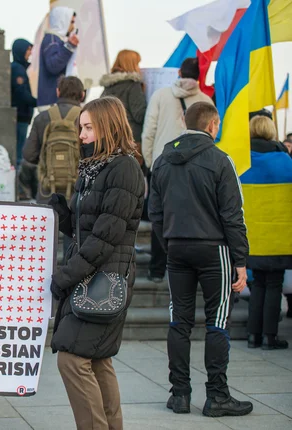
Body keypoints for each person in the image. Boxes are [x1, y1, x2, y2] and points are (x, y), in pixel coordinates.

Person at [148, 102, 253, 417]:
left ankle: (179, 394)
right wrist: (241, 261)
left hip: (177, 246)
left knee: (179, 321)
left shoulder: (162, 160)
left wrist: (170, 243)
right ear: (213, 125)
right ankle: (217, 395)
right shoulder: (220, 160)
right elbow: (233, 215)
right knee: (217, 321)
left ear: (183, 122)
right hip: (214, 249)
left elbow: (154, 212)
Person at [48, 96, 145, 429]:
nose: (81, 135)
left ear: (108, 126)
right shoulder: (95, 167)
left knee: (73, 360)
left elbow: (106, 237)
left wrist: (65, 276)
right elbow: (85, 227)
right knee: (97, 360)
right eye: (81, 128)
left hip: (104, 281)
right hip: (94, 277)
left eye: (88, 127)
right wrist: (62, 212)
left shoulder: (124, 168)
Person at [142, 57, 213, 283]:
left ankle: (156, 270)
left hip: (162, 165)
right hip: (196, 168)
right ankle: (187, 272)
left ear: (179, 72)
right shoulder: (204, 99)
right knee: (191, 217)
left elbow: (149, 130)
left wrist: (150, 162)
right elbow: (211, 134)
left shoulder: (161, 95)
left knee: (159, 217)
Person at [243, 115, 292, 349]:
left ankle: (253, 336)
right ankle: (270, 337)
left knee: (258, 284)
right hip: (279, 236)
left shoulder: (243, 161)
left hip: (250, 237)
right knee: (274, 284)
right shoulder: (285, 160)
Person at [23, 75, 86, 203]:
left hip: (47, 192)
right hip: (79, 192)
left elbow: (28, 154)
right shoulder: (88, 118)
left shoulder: (42, 117)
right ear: (82, 95)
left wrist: (47, 161)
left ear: (58, 92)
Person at [100, 50, 147, 168]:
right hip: (131, 142)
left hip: (109, 142)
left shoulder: (108, 87)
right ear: (131, 64)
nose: (139, 68)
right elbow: (140, 115)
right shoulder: (132, 85)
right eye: (137, 64)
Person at [11, 38, 38, 200]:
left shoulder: (22, 68)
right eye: (28, 50)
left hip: (23, 118)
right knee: (19, 155)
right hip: (20, 117)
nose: (30, 53)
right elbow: (22, 94)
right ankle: (19, 189)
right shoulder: (18, 69)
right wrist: (38, 102)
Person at [37, 6, 79, 109]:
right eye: (71, 22)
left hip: (54, 102)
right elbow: (53, 66)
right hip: (51, 103)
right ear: (62, 20)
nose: (73, 27)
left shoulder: (56, 39)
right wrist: (69, 47)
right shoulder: (51, 39)